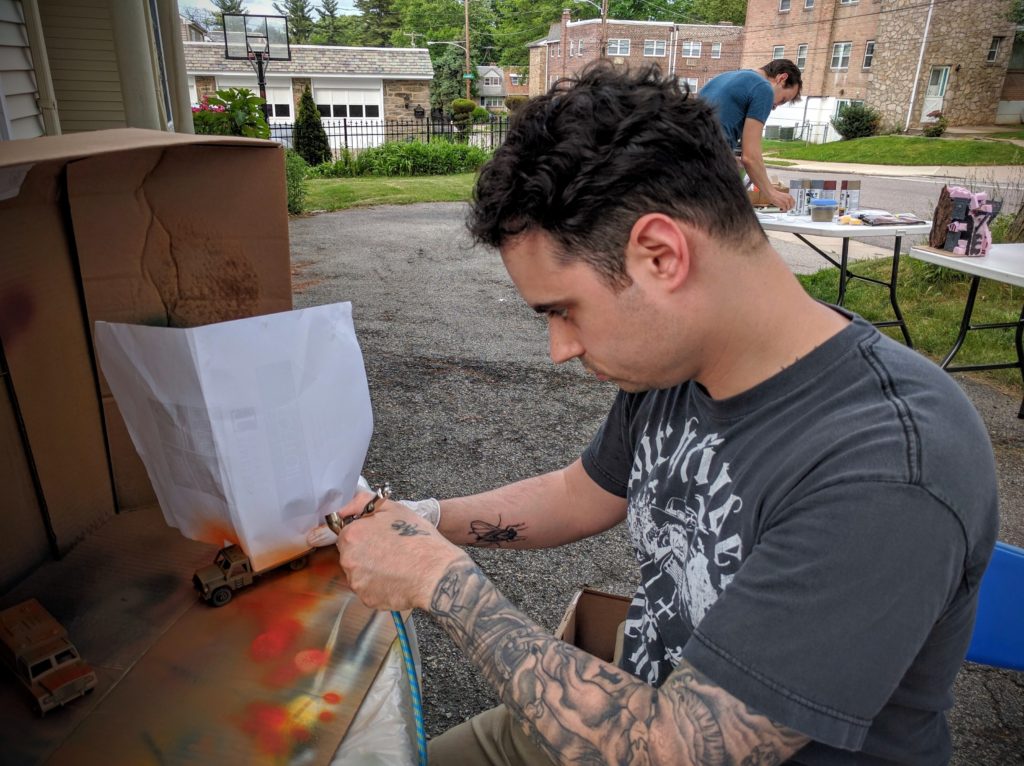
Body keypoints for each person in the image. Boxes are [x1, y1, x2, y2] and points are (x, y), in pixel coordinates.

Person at [309, 63, 998, 765]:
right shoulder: (679, 365)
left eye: (563, 310)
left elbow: (672, 748)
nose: (559, 349)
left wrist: (442, 583)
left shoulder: (887, 467)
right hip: (600, 712)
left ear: (662, 256)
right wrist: (420, 520)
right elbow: (580, 494)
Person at [700, 59, 802, 212]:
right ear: (781, 78)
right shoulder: (764, 89)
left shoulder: (722, 78)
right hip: (706, 172)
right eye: (782, 100)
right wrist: (772, 193)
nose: (774, 107)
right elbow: (750, 157)